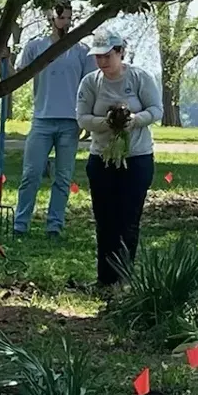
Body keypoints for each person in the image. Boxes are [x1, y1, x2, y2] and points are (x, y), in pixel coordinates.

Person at [77, 29, 163, 287]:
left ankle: (124, 279)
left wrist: (134, 121)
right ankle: (104, 279)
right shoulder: (91, 83)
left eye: (107, 56)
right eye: (98, 57)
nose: (102, 62)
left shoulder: (139, 78)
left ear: (120, 52)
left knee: (128, 220)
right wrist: (107, 123)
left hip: (136, 159)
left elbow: (156, 110)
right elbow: (82, 118)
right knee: (105, 221)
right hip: (102, 159)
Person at [12, 1, 92, 237]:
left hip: (70, 121)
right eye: (61, 18)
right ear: (51, 19)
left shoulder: (81, 51)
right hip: (42, 119)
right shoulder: (36, 47)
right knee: (31, 173)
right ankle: (20, 223)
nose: (65, 23)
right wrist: (5, 61)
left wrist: (84, 120)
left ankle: (54, 225)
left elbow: (88, 87)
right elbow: (20, 74)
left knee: (63, 177)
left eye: (69, 18)